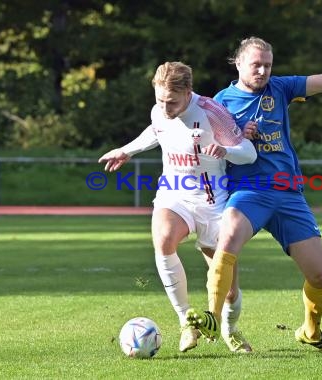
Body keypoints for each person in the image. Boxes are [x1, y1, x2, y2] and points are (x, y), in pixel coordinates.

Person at [186, 36, 322, 351]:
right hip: (249, 190)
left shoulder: (280, 88)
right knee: (228, 239)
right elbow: (209, 152)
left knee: (319, 277)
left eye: (267, 65)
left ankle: (311, 330)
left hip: (288, 194)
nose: (263, 71)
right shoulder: (219, 103)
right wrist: (237, 136)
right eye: (256, 65)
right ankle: (212, 315)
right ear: (239, 64)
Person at [98, 62, 257, 353]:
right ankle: (186, 320)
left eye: (171, 101)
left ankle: (230, 330)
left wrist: (226, 150)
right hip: (174, 193)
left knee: (229, 290)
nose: (165, 107)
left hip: (213, 201)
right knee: (163, 239)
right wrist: (126, 150)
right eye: (159, 100)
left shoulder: (212, 113)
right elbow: (156, 130)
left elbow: (248, 152)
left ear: (188, 92)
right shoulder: (159, 110)